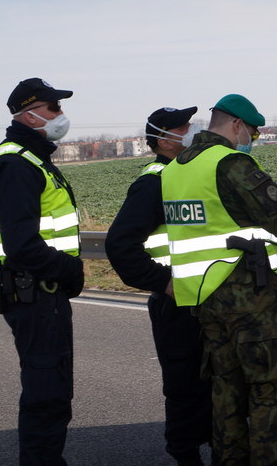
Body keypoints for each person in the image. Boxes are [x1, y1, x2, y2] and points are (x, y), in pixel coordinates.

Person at [160, 94, 277, 466]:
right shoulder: (230, 163)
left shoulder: (176, 169)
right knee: (271, 390)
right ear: (236, 125)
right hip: (247, 297)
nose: (252, 140)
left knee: (226, 390)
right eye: (253, 133)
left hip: (203, 297)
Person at [0, 77, 85, 466]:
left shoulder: (31, 158)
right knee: (46, 394)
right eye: (54, 108)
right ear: (29, 114)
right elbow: (22, 244)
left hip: (43, 290)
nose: (61, 115)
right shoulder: (15, 164)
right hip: (35, 291)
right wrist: (69, 269)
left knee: (53, 390)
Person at [105, 106, 213, 466]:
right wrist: (163, 283)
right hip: (177, 303)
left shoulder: (186, 174)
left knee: (213, 382)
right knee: (185, 385)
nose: (193, 130)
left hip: (207, 298)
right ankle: (185, 455)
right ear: (165, 139)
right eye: (185, 127)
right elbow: (120, 244)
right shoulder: (154, 182)